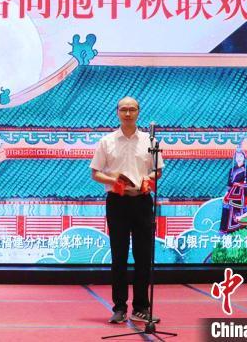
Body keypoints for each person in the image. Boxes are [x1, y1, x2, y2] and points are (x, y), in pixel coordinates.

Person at [89, 96, 163, 324]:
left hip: (142, 201)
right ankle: (119, 307)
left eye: (132, 109)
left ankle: (141, 307)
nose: (128, 113)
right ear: (117, 112)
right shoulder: (107, 141)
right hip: (117, 202)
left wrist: (147, 180)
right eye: (124, 110)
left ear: (138, 112)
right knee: (119, 255)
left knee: (143, 256)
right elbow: (95, 173)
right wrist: (115, 181)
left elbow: (158, 171)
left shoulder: (150, 141)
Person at [220, 145, 247, 233]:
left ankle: (243, 229)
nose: (239, 158)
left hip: (243, 192)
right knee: (226, 206)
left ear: (244, 157)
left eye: (240, 156)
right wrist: (225, 194)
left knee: (246, 208)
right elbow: (229, 184)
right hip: (232, 192)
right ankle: (225, 229)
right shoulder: (232, 170)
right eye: (237, 156)